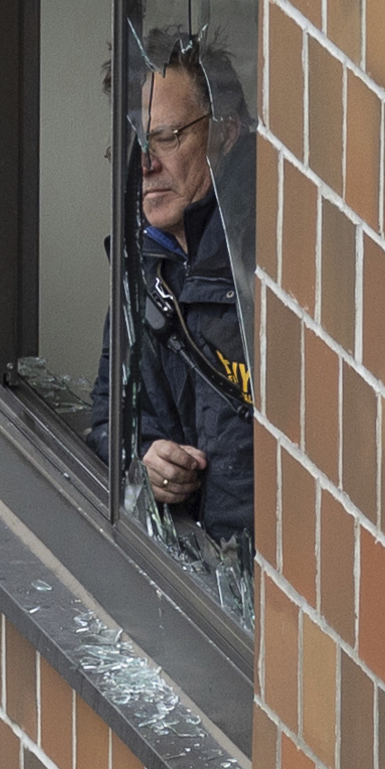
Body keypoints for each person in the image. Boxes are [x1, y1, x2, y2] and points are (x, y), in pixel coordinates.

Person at [89, 38, 255, 554]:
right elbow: (107, 417)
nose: (144, 164)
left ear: (225, 133)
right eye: (135, 142)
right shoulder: (144, 259)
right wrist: (146, 460)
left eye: (164, 138)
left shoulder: (269, 257)